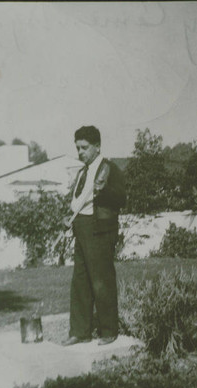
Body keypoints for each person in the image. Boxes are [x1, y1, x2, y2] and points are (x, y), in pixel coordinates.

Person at [63, 125, 126, 346]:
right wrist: (70, 216)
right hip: (80, 226)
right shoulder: (82, 172)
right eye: (78, 148)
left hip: (99, 229)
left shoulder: (109, 169)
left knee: (101, 280)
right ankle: (80, 332)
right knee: (80, 281)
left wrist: (103, 190)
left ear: (97, 147)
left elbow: (121, 199)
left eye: (85, 148)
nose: (80, 152)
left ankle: (109, 331)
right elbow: (78, 201)